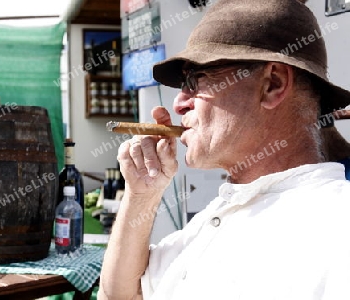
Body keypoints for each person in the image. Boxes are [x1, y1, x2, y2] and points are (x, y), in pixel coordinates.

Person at [98, 0, 350, 299]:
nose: (179, 103)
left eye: (196, 79)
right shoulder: (221, 212)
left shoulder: (336, 225)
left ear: (273, 83)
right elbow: (120, 294)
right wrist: (142, 196)